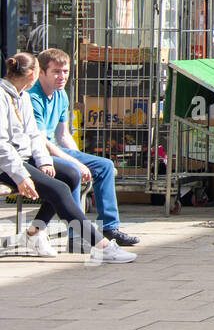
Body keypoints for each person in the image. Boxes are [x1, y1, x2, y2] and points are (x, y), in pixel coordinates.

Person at [0, 53, 135, 263]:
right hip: (6, 164)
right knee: (59, 189)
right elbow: (2, 145)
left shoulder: (23, 95)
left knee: (70, 175)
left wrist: (44, 161)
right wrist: (20, 176)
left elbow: (35, 135)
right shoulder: (2, 96)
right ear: (34, 73)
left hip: (24, 158)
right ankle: (101, 245)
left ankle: (33, 236)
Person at [29, 48, 140, 247]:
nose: (62, 76)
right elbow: (40, 141)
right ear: (42, 72)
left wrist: (80, 157)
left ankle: (110, 228)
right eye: (56, 71)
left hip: (55, 149)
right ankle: (76, 235)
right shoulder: (33, 97)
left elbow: (63, 135)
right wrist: (76, 163)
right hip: (38, 154)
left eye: (65, 71)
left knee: (104, 166)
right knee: (72, 172)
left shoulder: (61, 95)